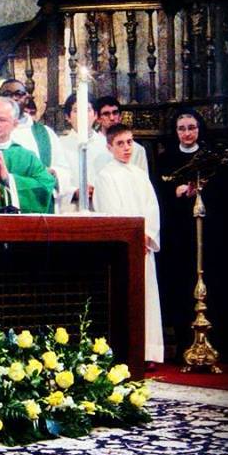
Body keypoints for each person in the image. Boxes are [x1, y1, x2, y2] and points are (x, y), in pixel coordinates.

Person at [94, 123, 164, 365]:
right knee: (127, 297)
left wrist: (147, 235)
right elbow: (111, 211)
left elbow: (152, 207)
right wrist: (131, 238)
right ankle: (129, 351)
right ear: (109, 147)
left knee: (148, 298)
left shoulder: (140, 174)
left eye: (130, 142)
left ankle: (149, 352)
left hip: (144, 246)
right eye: (120, 143)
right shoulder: (105, 176)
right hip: (125, 248)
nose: (126, 148)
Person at [156, 110, 206, 358]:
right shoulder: (165, 159)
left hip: (206, 233)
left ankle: (207, 341)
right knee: (179, 285)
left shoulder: (208, 157)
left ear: (199, 129)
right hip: (176, 233)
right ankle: (183, 343)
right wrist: (174, 192)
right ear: (175, 132)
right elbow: (158, 193)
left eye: (191, 127)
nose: (187, 133)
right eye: (182, 128)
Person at [0, 79, 70, 211]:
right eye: (7, 94)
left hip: (34, 207)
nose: (13, 98)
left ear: (26, 98)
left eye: (18, 94)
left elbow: (64, 171)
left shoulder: (46, 134)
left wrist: (52, 172)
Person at [58, 92, 109, 211]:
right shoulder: (59, 145)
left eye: (87, 110)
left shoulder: (107, 145)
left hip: (103, 208)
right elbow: (55, 178)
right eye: (76, 110)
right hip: (70, 210)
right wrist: (74, 192)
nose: (82, 115)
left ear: (95, 115)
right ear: (67, 117)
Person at [95, 95, 149, 173]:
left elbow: (142, 177)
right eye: (106, 114)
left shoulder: (137, 149)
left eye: (115, 113)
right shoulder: (91, 147)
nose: (112, 118)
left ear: (120, 116)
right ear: (98, 119)